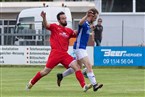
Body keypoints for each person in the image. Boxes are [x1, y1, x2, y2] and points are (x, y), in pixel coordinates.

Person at [26, 11, 92, 92]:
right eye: (63, 19)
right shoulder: (54, 27)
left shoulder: (69, 31)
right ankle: (30, 83)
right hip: (55, 54)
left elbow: (78, 32)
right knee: (45, 72)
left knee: (77, 67)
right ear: (59, 20)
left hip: (64, 54)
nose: (65, 20)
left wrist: (88, 27)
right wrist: (44, 18)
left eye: (65, 18)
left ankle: (84, 86)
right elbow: (46, 25)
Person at [57, 8, 103, 92]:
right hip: (79, 48)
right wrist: (86, 15)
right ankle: (94, 85)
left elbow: (84, 31)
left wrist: (91, 29)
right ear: (91, 16)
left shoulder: (88, 25)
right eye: (95, 17)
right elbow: (80, 23)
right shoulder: (84, 22)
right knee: (88, 65)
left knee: (78, 67)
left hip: (81, 48)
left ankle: (61, 75)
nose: (95, 19)